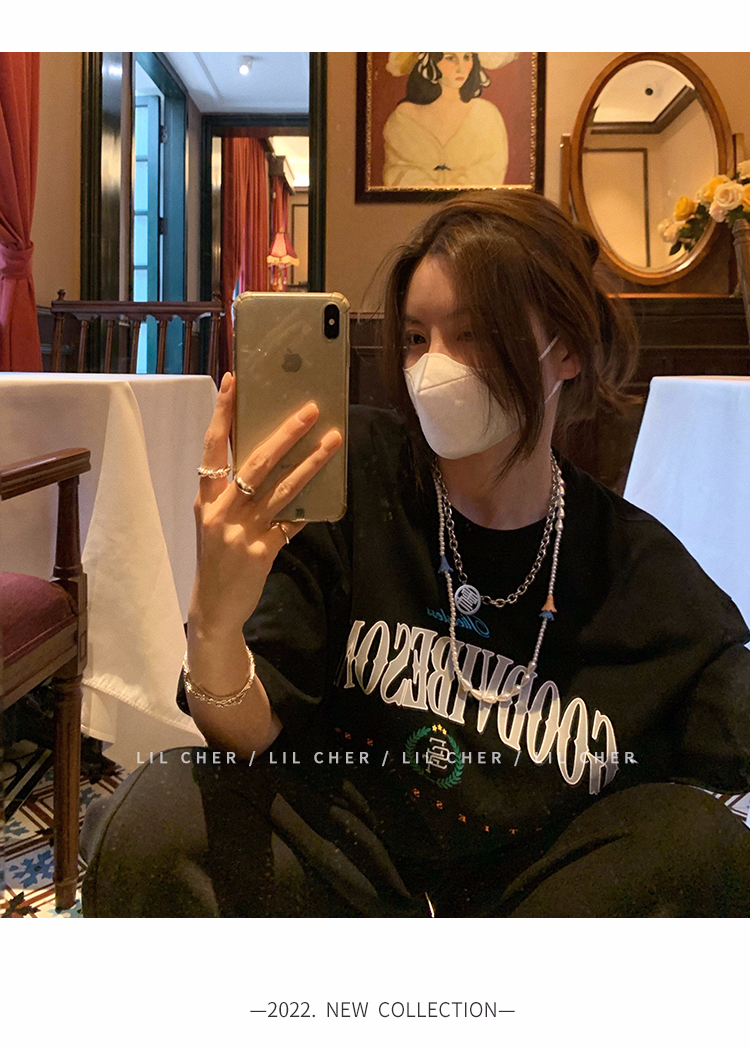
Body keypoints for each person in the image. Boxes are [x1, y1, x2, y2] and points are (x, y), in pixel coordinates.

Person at [81, 190, 750, 918]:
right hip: (350, 875)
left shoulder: (632, 565)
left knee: (703, 844)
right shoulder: (351, 474)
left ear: (565, 350)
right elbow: (251, 736)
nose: (435, 366)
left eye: (471, 335)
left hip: (537, 906)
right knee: (157, 815)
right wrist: (214, 624)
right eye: (415, 337)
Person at [382, 52, 517, 188]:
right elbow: (396, 173)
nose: (461, 68)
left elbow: (491, 171)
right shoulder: (403, 117)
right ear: (431, 61)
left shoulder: (487, 115)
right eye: (450, 58)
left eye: (466, 58)